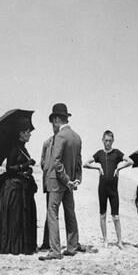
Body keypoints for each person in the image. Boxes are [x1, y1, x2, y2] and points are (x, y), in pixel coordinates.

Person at [40, 103, 84, 261]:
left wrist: (66, 180)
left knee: (53, 214)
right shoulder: (76, 137)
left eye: (53, 121)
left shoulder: (60, 136)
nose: (53, 124)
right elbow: (79, 163)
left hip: (57, 182)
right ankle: (72, 247)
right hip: (69, 184)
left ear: (58, 119)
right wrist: (76, 180)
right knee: (70, 213)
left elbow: (56, 163)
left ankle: (55, 250)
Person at [0, 118, 38, 255]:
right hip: (14, 188)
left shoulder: (22, 148)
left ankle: (21, 246)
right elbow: (9, 167)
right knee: (15, 219)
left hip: (22, 187)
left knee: (20, 218)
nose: (30, 134)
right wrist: (25, 165)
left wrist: (27, 170)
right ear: (21, 133)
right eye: (27, 132)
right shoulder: (14, 147)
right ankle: (13, 246)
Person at [84, 130, 133, 249]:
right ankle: (105, 240)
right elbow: (85, 163)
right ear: (102, 140)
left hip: (113, 189)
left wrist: (119, 168)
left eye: (110, 141)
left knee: (116, 216)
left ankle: (119, 241)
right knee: (102, 215)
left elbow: (130, 161)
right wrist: (97, 167)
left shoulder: (116, 153)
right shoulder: (99, 154)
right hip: (102, 189)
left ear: (113, 141)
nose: (108, 143)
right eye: (106, 140)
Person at [39, 127, 58, 251]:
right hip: (51, 181)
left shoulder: (50, 142)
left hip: (59, 181)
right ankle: (47, 242)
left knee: (52, 213)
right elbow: (42, 162)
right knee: (50, 213)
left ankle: (49, 243)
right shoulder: (47, 143)